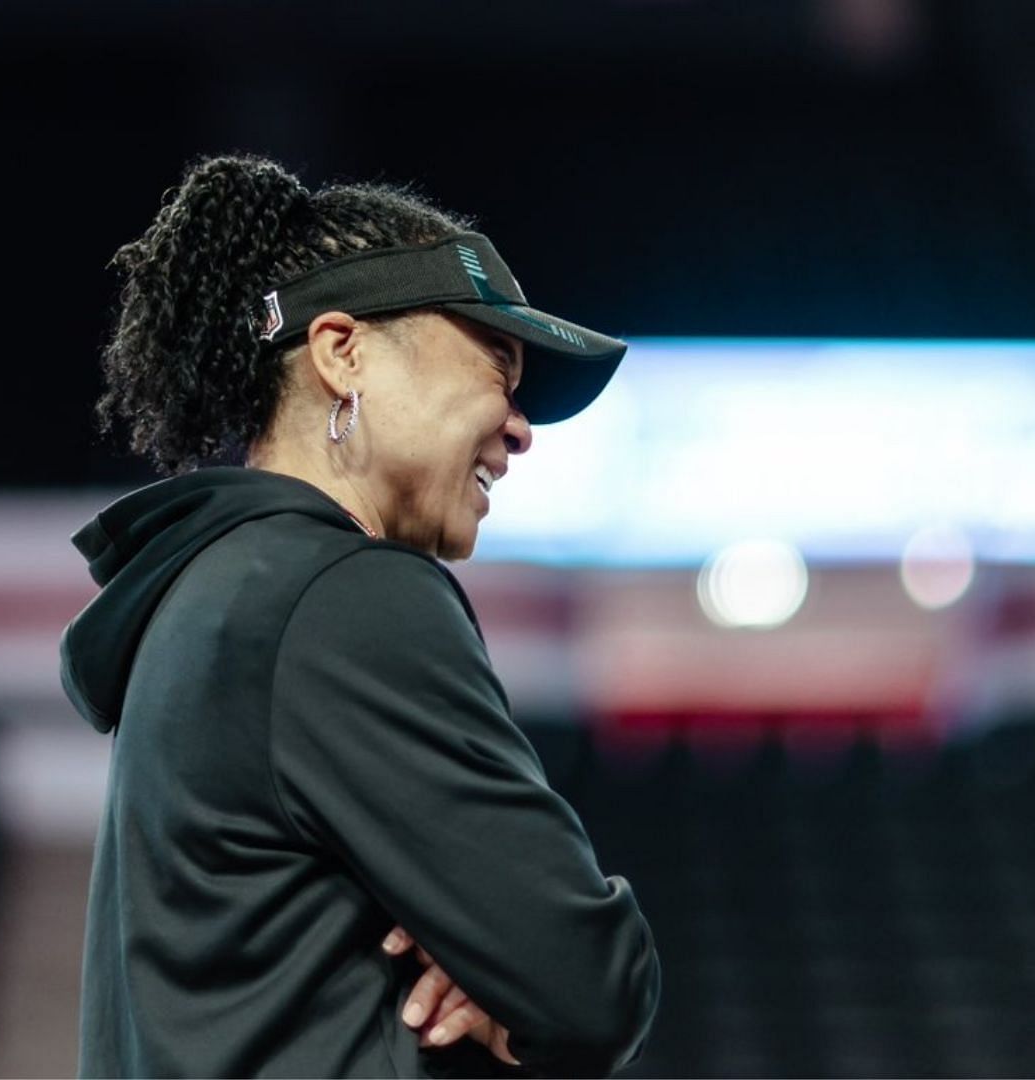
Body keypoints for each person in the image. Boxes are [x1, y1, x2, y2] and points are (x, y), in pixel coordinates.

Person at [60, 154, 660, 1078]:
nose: (521, 426)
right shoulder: (345, 596)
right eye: (496, 367)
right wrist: (503, 969)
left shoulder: (206, 596)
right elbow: (591, 986)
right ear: (344, 352)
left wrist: (491, 956)